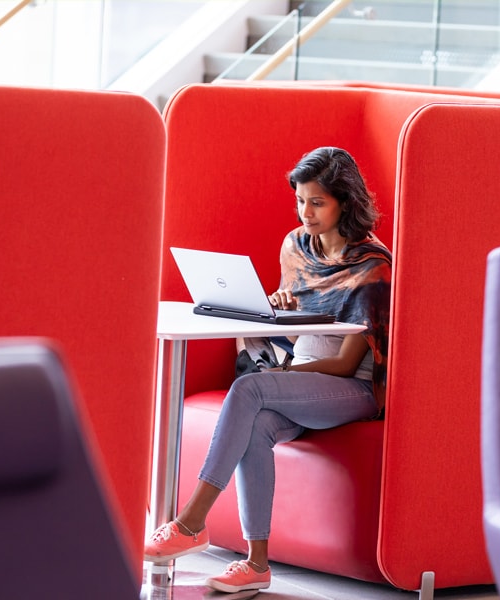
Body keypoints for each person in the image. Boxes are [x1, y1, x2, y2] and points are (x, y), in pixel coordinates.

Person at [143, 146, 392, 593]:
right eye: (300, 200)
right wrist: (277, 309)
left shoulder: (373, 266)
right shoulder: (296, 246)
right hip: (303, 371)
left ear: (345, 202)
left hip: (351, 389)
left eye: (317, 202)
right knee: (256, 424)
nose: (306, 212)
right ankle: (256, 563)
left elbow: (346, 362)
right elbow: (302, 330)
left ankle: (190, 520)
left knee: (251, 391)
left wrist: (284, 377)